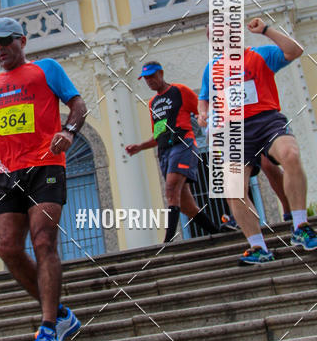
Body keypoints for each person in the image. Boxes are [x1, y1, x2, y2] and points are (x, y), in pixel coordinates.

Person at [0, 17, 87, 341]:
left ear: (22, 40)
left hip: (45, 167)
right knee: (7, 248)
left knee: (44, 241)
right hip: (5, 175)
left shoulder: (46, 69)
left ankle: (48, 329)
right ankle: (62, 313)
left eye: (5, 42)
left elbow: (78, 106)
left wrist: (68, 132)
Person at [198, 18, 316, 264]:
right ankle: (258, 247)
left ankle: (300, 225)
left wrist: (265, 30)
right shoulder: (212, 69)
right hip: (234, 130)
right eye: (213, 36)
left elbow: (294, 51)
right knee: (233, 188)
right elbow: (205, 98)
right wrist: (203, 113)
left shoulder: (259, 55)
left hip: (266, 119)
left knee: (290, 155)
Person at [125, 62, 221, 243]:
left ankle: (168, 240)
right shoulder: (153, 103)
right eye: (146, 78)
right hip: (164, 152)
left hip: (183, 144)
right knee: (185, 204)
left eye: (152, 76)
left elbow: (202, 110)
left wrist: (209, 124)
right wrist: (139, 147)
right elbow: (158, 135)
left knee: (170, 188)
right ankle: (216, 232)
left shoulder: (180, 91)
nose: (150, 81)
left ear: (161, 73)